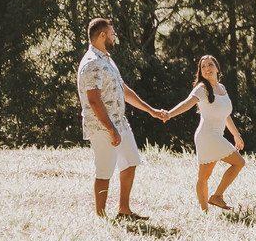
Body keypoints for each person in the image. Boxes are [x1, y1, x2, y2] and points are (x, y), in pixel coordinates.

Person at [77, 17, 167, 218]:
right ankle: (101, 216)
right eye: (112, 34)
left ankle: (124, 210)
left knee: (130, 161)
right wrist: (110, 129)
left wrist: (151, 111)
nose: (114, 38)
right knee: (104, 171)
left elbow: (124, 90)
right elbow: (94, 100)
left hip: (120, 122)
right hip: (103, 126)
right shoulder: (92, 63)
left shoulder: (106, 60)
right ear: (102, 35)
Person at [165, 54, 245, 211]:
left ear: (217, 68)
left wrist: (236, 135)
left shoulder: (222, 88)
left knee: (204, 175)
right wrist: (169, 114)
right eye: (203, 67)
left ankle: (212, 202)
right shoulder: (202, 88)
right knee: (237, 163)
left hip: (216, 135)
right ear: (200, 72)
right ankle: (211, 203)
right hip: (207, 135)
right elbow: (186, 104)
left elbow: (225, 115)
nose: (207, 68)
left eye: (210, 65)